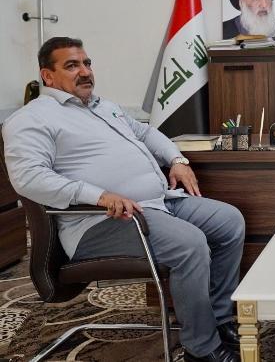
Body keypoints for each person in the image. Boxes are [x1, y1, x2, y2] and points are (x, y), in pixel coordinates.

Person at [2, 37, 246, 362]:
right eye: (72, 65)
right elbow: (28, 178)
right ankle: (202, 349)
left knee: (229, 222)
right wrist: (99, 196)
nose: (84, 71)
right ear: (47, 76)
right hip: (101, 221)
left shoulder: (103, 106)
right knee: (190, 244)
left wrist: (177, 160)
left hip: (159, 203)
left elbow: (146, 133)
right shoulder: (31, 118)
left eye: (87, 63)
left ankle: (219, 319)